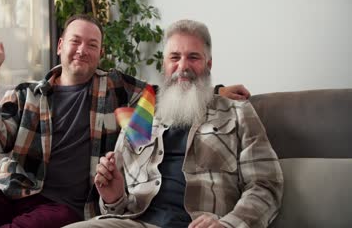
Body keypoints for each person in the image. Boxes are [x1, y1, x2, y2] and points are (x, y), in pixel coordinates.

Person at [0, 15, 250, 228]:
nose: (82, 50)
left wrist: (215, 89)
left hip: (69, 206)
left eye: (92, 45)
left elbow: (169, 90)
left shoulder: (115, 86)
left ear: (99, 54)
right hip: (12, 189)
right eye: (75, 41)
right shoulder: (28, 93)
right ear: (60, 46)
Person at [65, 19, 283, 228]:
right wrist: (113, 197)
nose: (182, 66)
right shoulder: (141, 117)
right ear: (164, 64)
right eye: (175, 57)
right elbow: (118, 207)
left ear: (209, 64)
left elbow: (265, 185)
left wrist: (228, 224)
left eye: (193, 57)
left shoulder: (237, 112)